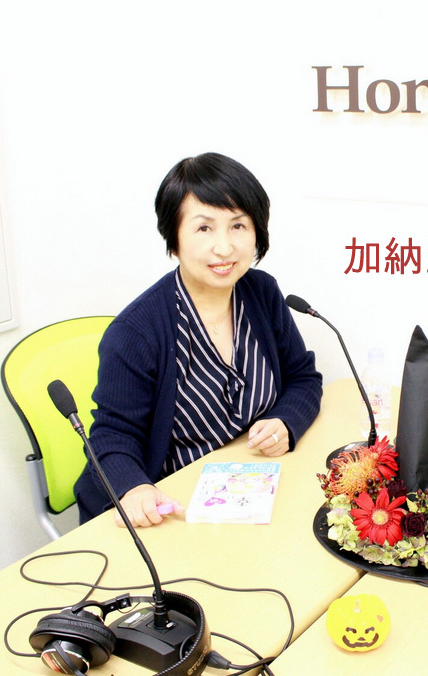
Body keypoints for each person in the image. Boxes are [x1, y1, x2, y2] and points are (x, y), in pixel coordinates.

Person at [74, 152, 323, 527]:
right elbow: (111, 437)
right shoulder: (136, 332)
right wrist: (134, 488)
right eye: (204, 228)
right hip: (171, 507)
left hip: (248, 488)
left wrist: (285, 422)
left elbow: (302, 377)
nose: (224, 247)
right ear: (174, 238)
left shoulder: (261, 292)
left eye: (238, 226)